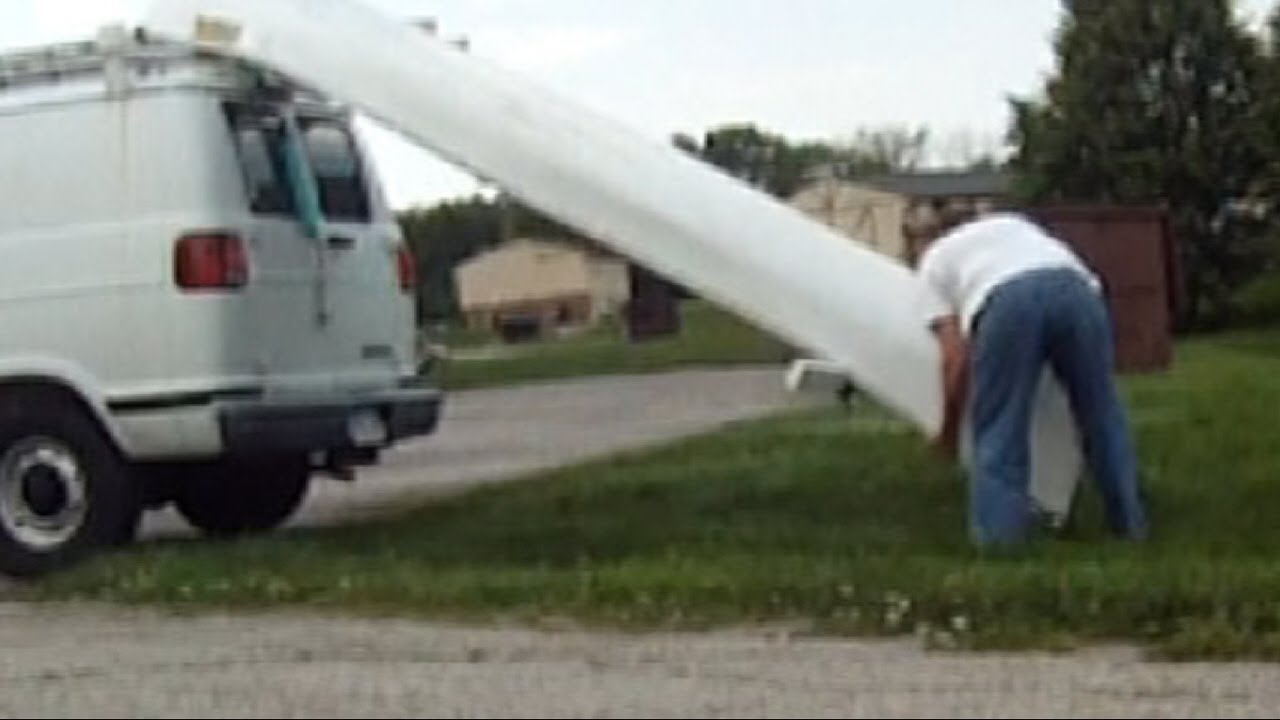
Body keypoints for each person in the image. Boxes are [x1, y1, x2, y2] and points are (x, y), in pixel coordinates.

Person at [910, 207, 1149, 548]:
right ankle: (1130, 526)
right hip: (1076, 290)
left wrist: (948, 431)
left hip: (1006, 301)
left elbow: (956, 357)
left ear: (933, 236)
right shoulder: (1013, 224)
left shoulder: (934, 260)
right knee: (1102, 414)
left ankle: (1000, 542)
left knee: (1001, 424)